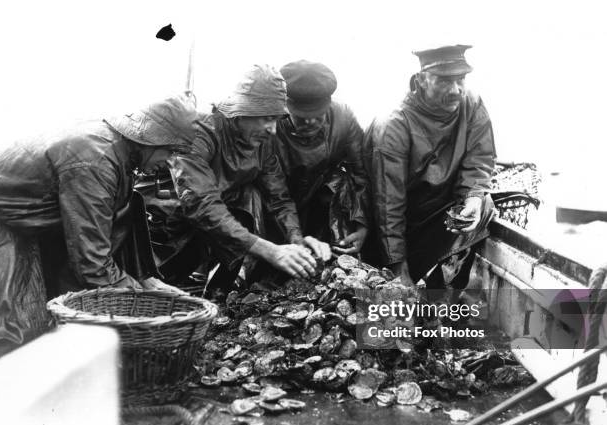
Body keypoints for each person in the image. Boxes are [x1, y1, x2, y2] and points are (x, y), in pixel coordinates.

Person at [0, 95, 198, 353]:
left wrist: (144, 279)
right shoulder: (96, 161)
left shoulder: (118, 152)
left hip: (26, 217)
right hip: (3, 220)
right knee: (11, 337)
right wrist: (141, 297)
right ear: (150, 139)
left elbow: (110, 224)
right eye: (169, 150)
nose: (170, 161)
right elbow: (91, 263)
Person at [145, 65, 331, 290]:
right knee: (157, 289)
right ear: (243, 111)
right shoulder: (200, 131)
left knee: (249, 197)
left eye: (276, 119)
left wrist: (297, 241)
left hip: (211, 225)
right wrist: (269, 250)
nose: (273, 130)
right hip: (163, 226)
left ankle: (219, 294)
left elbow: (278, 197)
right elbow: (200, 202)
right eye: (267, 118)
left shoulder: (262, 142)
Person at [364, 45, 496, 291]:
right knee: (395, 283)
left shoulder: (472, 102)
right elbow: (387, 204)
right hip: (396, 226)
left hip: (440, 213)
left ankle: (444, 297)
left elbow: (480, 156)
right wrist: (396, 265)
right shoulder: (394, 125)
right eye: (445, 81)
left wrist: (473, 198)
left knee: (485, 205)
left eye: (461, 79)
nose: (456, 90)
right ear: (421, 80)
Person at [274, 60, 370, 254]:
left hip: (318, 199)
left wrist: (362, 224)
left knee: (342, 182)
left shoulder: (343, 117)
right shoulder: (269, 123)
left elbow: (362, 175)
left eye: (317, 114)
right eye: (300, 115)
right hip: (274, 204)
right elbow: (275, 194)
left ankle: (339, 251)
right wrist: (295, 238)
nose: (309, 121)